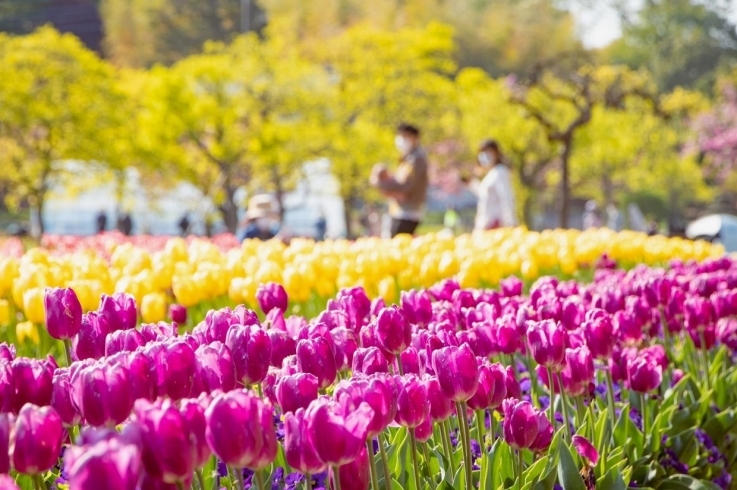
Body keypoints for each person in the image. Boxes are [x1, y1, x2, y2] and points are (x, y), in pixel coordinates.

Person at [370, 123, 429, 238]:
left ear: (415, 138)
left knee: (399, 244)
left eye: (406, 136)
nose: (402, 140)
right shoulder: (408, 157)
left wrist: (380, 182)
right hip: (401, 209)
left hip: (408, 211)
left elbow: (406, 185)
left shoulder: (416, 159)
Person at [473, 139, 517, 231]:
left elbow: (506, 196)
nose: (484, 155)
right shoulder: (492, 173)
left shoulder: (500, 172)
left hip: (496, 223)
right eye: (482, 152)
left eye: (488, 151)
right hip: (487, 223)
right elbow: (486, 195)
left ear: (496, 153)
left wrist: (510, 221)